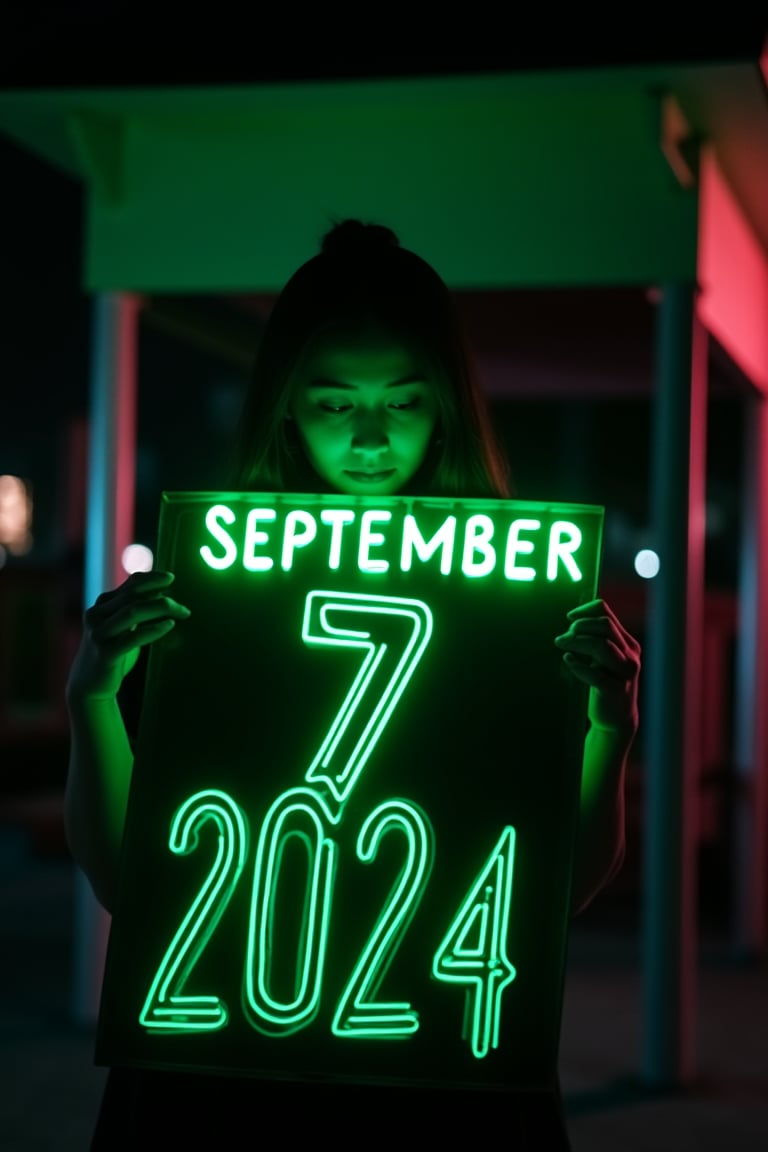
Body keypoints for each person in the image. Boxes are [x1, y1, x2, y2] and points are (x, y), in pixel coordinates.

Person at [65, 219, 640, 1149]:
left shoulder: (517, 593)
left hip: (439, 1068)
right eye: (335, 405)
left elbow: (555, 894)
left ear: (446, 404)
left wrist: (610, 725)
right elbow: (132, 890)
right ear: (287, 405)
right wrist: (93, 698)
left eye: (403, 402)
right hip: (220, 1074)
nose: (370, 437)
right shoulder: (213, 587)